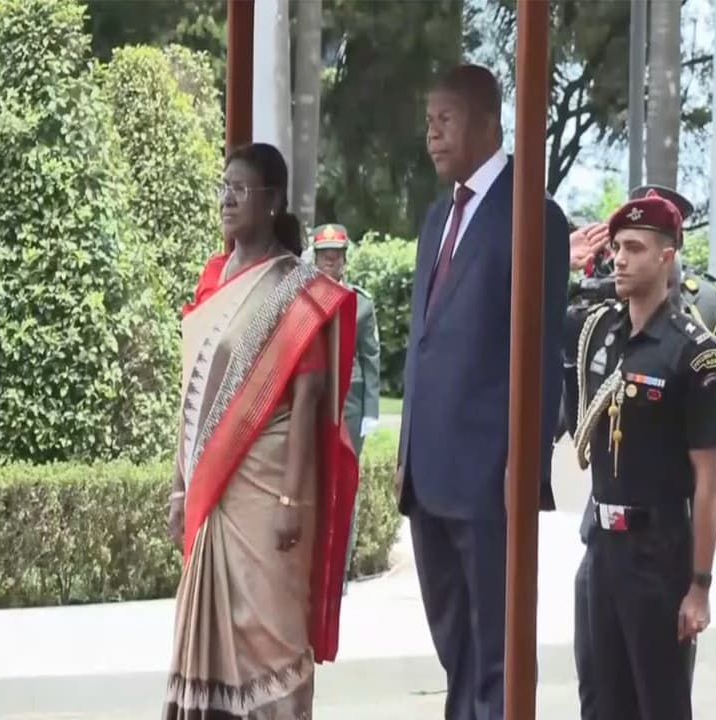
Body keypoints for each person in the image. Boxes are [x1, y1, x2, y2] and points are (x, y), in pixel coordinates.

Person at [395, 64, 569, 720]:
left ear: (489, 123)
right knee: (456, 649)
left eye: (445, 120)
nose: (432, 135)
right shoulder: (437, 219)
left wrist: (522, 466)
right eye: (428, 122)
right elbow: (426, 345)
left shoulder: (532, 216)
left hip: (489, 481)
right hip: (429, 477)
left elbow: (544, 351)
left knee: (497, 651)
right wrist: (408, 453)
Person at [162, 143, 359, 719]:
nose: (227, 198)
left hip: (268, 486)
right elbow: (190, 396)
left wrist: (290, 500)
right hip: (210, 489)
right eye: (223, 186)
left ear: (271, 202)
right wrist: (180, 486)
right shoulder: (212, 278)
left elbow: (308, 399)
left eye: (240, 188)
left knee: (270, 631)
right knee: (208, 634)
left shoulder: (296, 288)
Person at [566, 185, 716, 720]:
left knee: (658, 705)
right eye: (616, 246)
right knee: (600, 701)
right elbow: (533, 314)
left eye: (635, 247)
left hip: (658, 555)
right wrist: (562, 262)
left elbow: (707, 479)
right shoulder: (602, 332)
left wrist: (699, 587)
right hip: (602, 549)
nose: (619, 258)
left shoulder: (696, 353)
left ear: (667, 255)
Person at [308, 223, 380, 592]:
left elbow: (370, 357)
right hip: (313, 399)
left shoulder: (360, 302)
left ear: (344, 261)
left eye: (335, 257)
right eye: (323, 257)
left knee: (343, 485)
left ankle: (338, 571)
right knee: (311, 482)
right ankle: (312, 566)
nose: (329, 264)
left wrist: (371, 410)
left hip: (349, 400)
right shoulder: (302, 299)